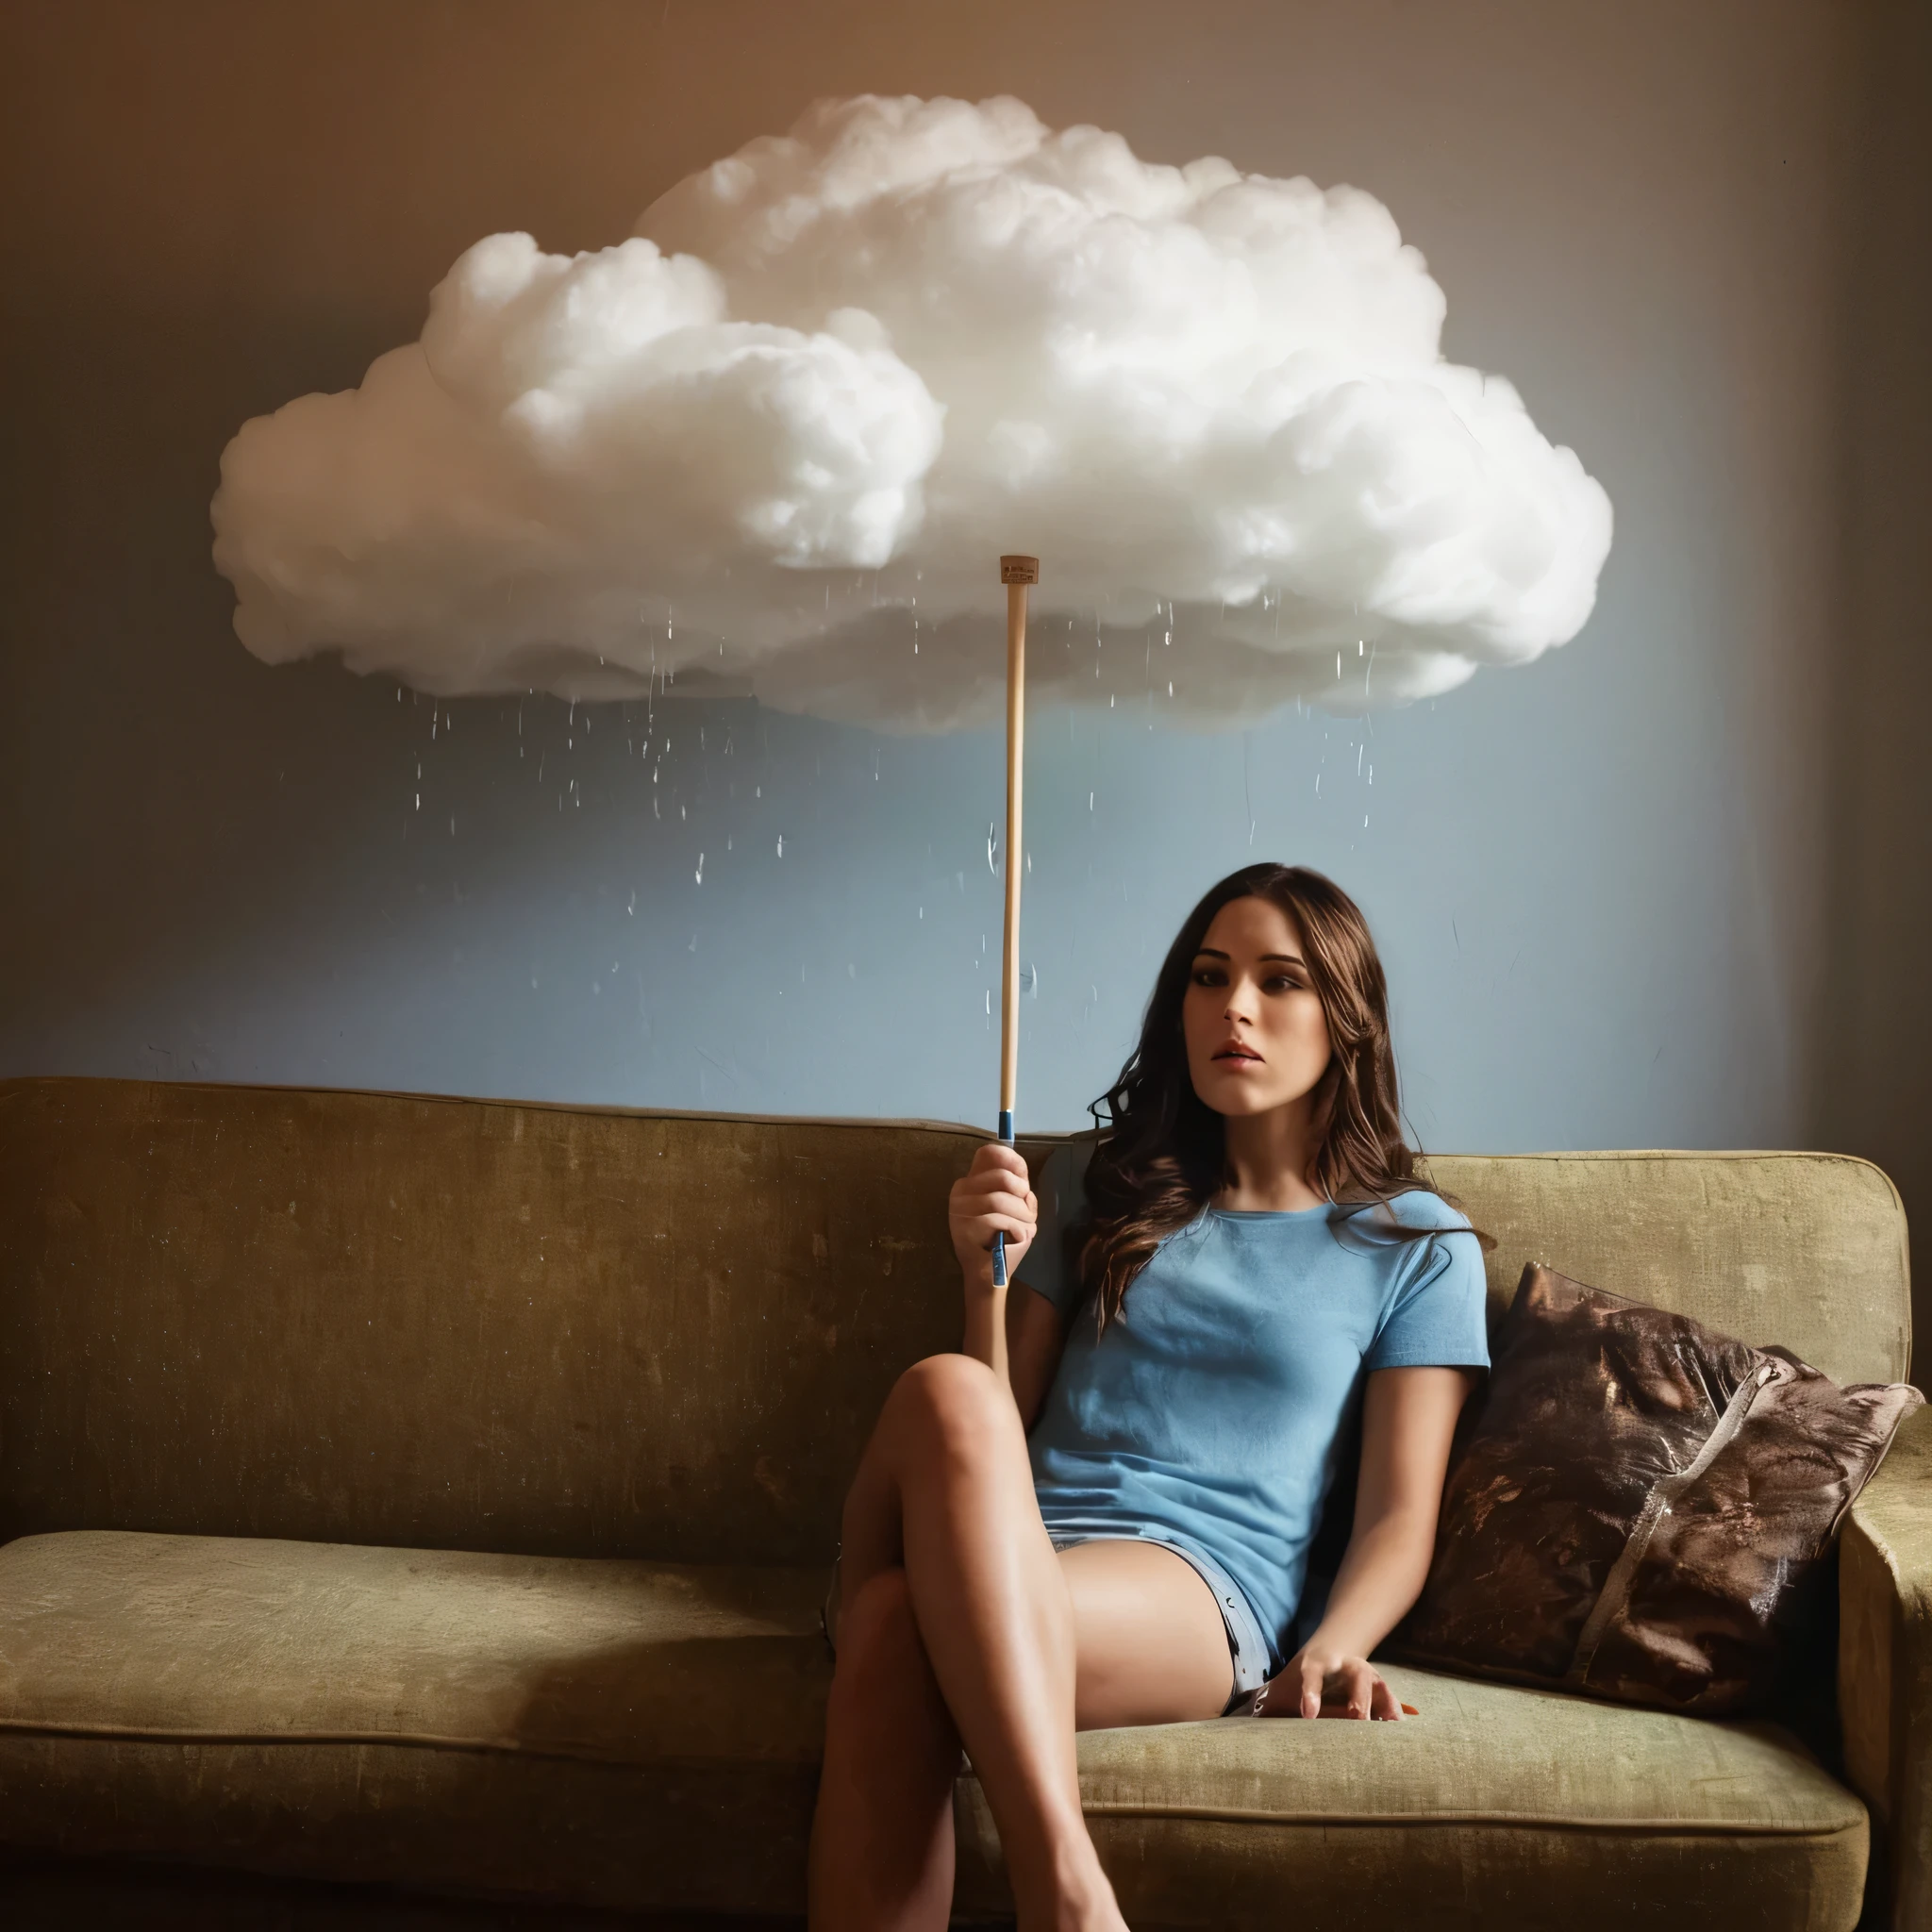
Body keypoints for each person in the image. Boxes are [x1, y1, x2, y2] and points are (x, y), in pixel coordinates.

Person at [808, 863, 1490, 1932]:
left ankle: (1060, 1891)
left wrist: (1332, 1644)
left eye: (1280, 981)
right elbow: (989, 1418)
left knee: (897, 1622)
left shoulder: (1413, 1244)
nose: (1234, 1007)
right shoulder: (1091, 1180)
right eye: (1209, 976)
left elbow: (1401, 1515)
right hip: (998, 1532)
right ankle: (1069, 1892)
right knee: (944, 1388)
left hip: (1196, 1580)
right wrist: (978, 1271)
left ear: (1346, 1018)